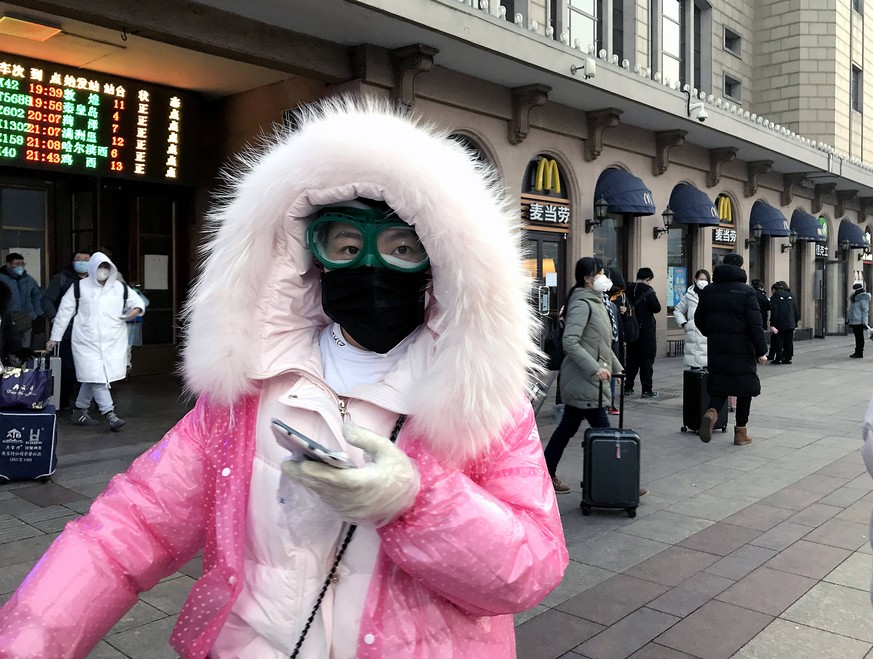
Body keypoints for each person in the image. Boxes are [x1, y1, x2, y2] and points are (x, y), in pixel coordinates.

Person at [0, 100, 567, 658]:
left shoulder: (481, 401)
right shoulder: (248, 392)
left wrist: (415, 503)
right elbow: (130, 529)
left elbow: (531, 569)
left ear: (440, 262)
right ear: (307, 257)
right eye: (346, 245)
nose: (370, 267)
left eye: (403, 249)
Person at [543, 257, 623, 493]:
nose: (603, 277)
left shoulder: (596, 301)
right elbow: (570, 341)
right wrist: (594, 368)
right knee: (605, 432)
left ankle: (546, 472)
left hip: (588, 381)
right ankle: (619, 478)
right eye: (599, 273)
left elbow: (601, 344)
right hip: (584, 380)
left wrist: (617, 368)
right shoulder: (582, 303)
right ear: (588, 279)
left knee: (566, 430)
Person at [45, 252, 144, 431]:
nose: (102, 271)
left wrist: (135, 310)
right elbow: (64, 313)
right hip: (85, 340)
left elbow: (136, 302)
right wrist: (55, 337)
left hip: (112, 340)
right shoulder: (79, 287)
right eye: (99, 267)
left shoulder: (119, 288)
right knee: (97, 377)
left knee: (93, 376)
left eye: (106, 267)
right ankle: (110, 414)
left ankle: (79, 410)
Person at [694, 252, 767, 446]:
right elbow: (755, 324)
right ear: (741, 267)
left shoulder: (709, 291)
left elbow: (699, 319)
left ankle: (711, 412)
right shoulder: (746, 291)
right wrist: (761, 350)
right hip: (742, 349)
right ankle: (740, 433)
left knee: (720, 387)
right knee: (744, 390)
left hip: (718, 348)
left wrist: (713, 334)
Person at [44, 251, 91, 409]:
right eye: (78, 259)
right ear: (72, 262)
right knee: (68, 368)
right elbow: (47, 300)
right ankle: (63, 401)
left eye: (86, 260)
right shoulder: (62, 279)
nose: (82, 262)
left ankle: (92, 403)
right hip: (68, 331)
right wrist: (53, 318)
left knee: (92, 367)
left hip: (90, 332)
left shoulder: (97, 280)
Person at [625, 267, 662, 398]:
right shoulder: (648, 291)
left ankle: (628, 387)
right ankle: (647, 389)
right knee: (646, 360)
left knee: (631, 360)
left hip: (632, 330)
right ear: (647, 279)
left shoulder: (627, 289)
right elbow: (657, 308)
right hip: (646, 331)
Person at [0, 252, 46, 348]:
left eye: (22, 264)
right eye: (16, 264)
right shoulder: (2, 279)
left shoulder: (28, 280)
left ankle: (22, 362)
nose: (20, 267)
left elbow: (37, 295)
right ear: (8, 264)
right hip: (7, 319)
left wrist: (36, 313)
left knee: (25, 345)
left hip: (26, 319)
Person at [673, 269, 711, 369]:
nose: (703, 281)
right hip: (693, 334)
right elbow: (678, 310)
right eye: (701, 279)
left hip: (708, 333)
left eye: (705, 279)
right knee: (694, 369)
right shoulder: (689, 295)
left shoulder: (712, 294)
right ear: (695, 279)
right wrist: (684, 324)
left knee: (708, 369)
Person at [605, 267, 628, 415]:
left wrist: (625, 314)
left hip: (611, 346)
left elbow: (618, 330)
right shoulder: (599, 301)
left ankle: (610, 401)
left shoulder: (618, 299)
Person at [768, 280, 800, 364]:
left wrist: (772, 324)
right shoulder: (791, 296)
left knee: (779, 340)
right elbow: (795, 310)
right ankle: (788, 358)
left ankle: (778, 358)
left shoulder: (775, 297)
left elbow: (774, 311)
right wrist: (795, 321)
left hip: (780, 323)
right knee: (789, 341)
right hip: (791, 322)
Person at [848, 282, 871, 358]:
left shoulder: (863, 298)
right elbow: (851, 310)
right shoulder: (854, 298)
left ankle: (859, 352)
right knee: (857, 337)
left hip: (859, 321)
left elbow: (865, 310)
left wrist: (865, 322)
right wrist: (849, 319)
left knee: (859, 337)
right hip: (854, 321)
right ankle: (857, 351)